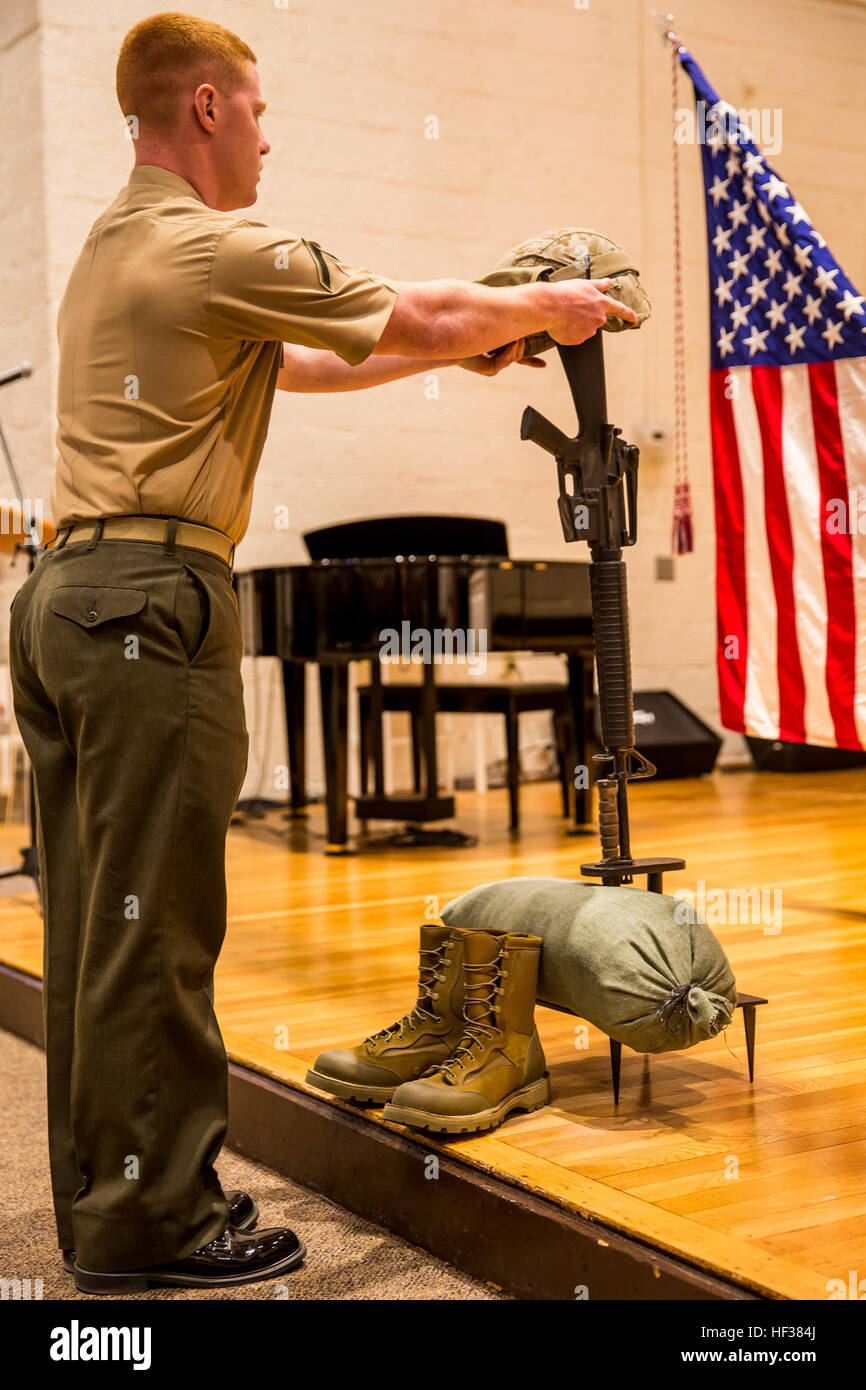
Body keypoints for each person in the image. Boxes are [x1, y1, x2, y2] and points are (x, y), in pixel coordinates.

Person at [9, 10, 636, 1295]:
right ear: (203, 110)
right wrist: (549, 306)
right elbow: (406, 309)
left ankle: (107, 1202)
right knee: (160, 925)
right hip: (149, 605)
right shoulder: (206, 238)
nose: (268, 134)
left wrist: (465, 342)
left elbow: (299, 358)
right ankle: (160, 1226)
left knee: (95, 924)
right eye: (255, 110)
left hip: (69, 597)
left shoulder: (118, 243)